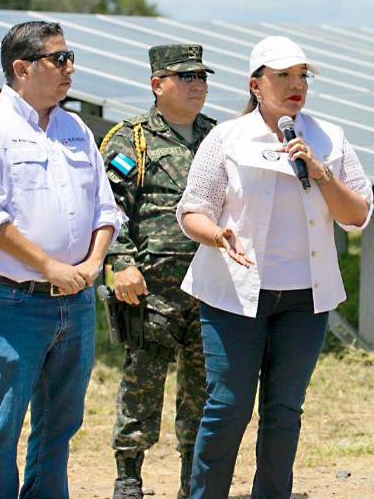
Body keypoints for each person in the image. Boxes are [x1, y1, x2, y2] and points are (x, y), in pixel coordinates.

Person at [175, 36, 373, 499]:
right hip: (234, 293)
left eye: (301, 75)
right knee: (228, 407)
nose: (295, 85)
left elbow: (357, 214)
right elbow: (192, 210)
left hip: (305, 298)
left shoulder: (329, 138)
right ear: (256, 84)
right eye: (282, 75)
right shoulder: (225, 136)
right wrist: (216, 234)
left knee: (284, 411)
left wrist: (321, 171)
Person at [0, 21, 124, 498]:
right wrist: (51, 266)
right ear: (21, 68)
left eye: (69, 57)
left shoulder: (74, 127)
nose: (70, 69)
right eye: (59, 59)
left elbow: (105, 207)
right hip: (11, 303)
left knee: (59, 427)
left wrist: (94, 261)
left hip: (74, 303)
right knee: (2, 429)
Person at [100, 44, 218, 499]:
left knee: (203, 390)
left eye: (202, 78)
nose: (197, 86)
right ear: (158, 84)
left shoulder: (220, 137)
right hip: (151, 289)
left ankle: (195, 478)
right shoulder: (131, 139)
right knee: (142, 385)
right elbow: (110, 207)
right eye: (186, 77)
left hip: (211, 285)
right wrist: (122, 263)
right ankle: (129, 475)